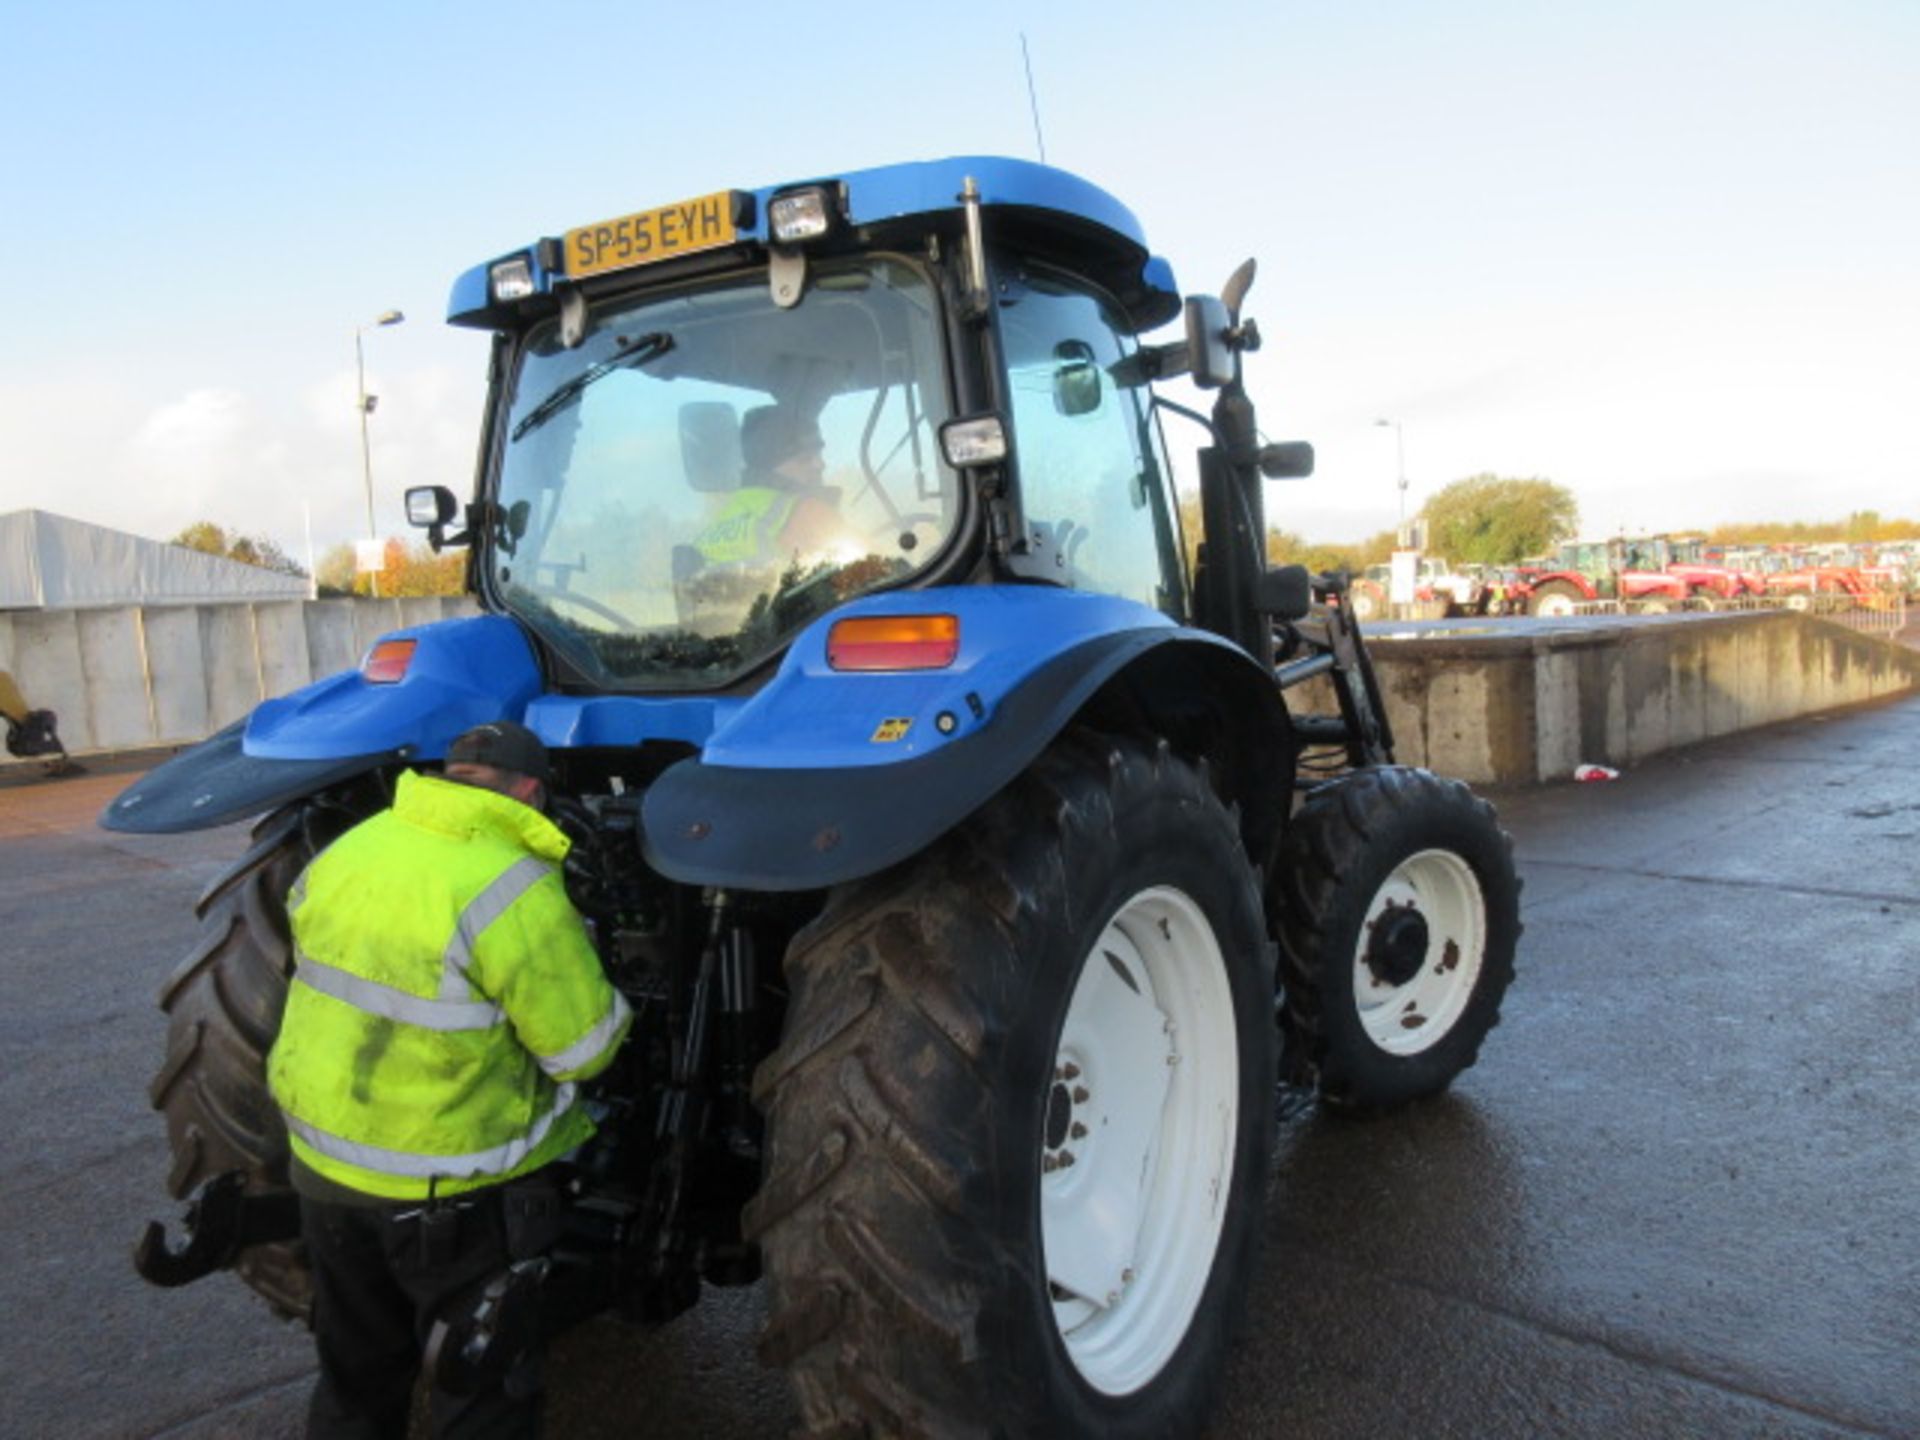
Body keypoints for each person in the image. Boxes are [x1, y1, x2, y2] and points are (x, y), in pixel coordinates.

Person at [267, 720, 631, 1439]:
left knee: (356, 1377)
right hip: (451, 1191)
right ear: (531, 792)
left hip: (324, 1172)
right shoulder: (513, 886)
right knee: (482, 1389)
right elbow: (584, 1053)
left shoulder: (354, 846)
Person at [690, 403, 846, 567]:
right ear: (770, 465)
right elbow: (871, 570)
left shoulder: (711, 533)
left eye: (819, 454)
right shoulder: (805, 513)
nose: (820, 464)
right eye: (805, 458)